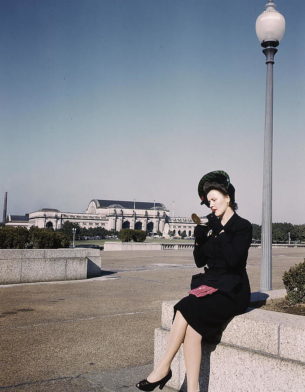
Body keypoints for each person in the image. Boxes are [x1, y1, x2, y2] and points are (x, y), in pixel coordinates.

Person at [136, 170, 253, 392]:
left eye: (214, 200)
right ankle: (193, 389)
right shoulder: (211, 226)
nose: (211, 205)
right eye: (208, 202)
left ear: (228, 198)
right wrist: (199, 240)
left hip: (233, 289)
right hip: (212, 285)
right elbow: (200, 262)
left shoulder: (242, 226)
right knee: (192, 330)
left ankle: (163, 368)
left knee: (184, 306)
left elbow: (233, 260)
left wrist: (219, 231)